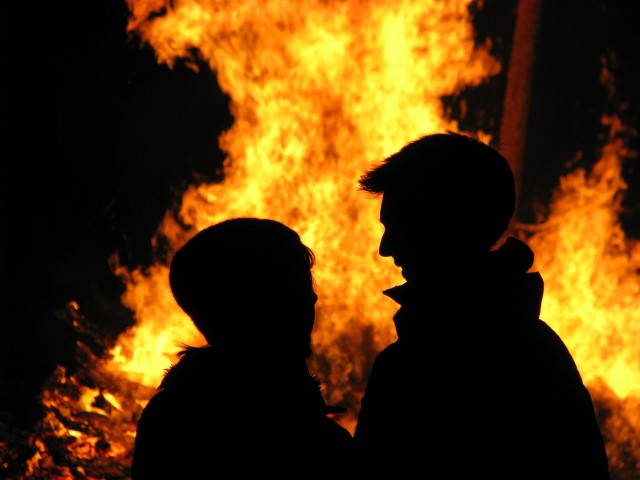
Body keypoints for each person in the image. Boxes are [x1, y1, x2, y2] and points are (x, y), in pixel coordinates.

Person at [353, 131, 610, 479]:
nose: (386, 247)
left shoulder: (413, 368)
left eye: (400, 226)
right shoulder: (541, 352)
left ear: (444, 224)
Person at [130, 217, 353, 479]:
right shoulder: (319, 447)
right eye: (297, 285)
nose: (311, 297)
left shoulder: (166, 421)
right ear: (255, 303)